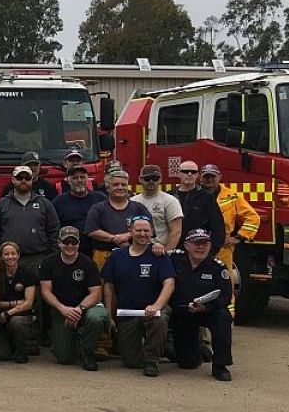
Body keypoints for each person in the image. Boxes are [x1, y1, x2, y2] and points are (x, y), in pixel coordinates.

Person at [102, 217, 176, 377]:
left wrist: (157, 306)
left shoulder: (159, 254)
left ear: (151, 233)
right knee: (131, 362)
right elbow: (108, 285)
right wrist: (109, 314)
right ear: (130, 232)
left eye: (146, 231)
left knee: (159, 319)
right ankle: (166, 348)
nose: (142, 234)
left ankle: (152, 360)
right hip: (127, 313)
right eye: (138, 230)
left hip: (152, 311)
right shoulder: (117, 256)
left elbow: (169, 283)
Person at [38, 226, 107, 371]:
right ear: (59, 243)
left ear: (79, 244)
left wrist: (78, 310)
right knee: (64, 358)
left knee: (96, 317)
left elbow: (95, 293)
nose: (70, 246)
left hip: (85, 307)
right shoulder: (48, 262)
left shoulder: (88, 263)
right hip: (60, 309)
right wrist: (63, 309)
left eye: (73, 242)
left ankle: (88, 354)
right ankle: (74, 341)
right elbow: (46, 292)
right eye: (66, 242)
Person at [170, 229, 234, 381]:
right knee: (187, 364)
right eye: (196, 244)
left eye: (205, 244)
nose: (201, 248)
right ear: (186, 245)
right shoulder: (173, 259)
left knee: (223, 317)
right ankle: (197, 350)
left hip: (207, 312)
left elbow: (226, 296)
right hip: (181, 313)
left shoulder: (218, 267)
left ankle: (220, 366)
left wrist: (206, 307)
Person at [199, 163, 259, 305]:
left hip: (222, 249)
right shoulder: (195, 195)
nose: (209, 180)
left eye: (212, 176)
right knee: (197, 284)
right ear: (200, 178)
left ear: (219, 177)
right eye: (206, 177)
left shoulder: (231, 196)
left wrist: (238, 237)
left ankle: (226, 322)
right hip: (197, 247)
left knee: (225, 286)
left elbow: (253, 217)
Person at [0, 165, 60, 274]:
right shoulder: (0, 204)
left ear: (32, 180)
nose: (23, 181)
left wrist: (52, 256)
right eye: (20, 178)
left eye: (27, 178)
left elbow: (54, 232)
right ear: (13, 180)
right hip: (8, 260)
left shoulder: (45, 203)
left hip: (38, 259)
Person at [84, 170, 154, 266]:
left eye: (123, 185)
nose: (120, 187)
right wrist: (113, 239)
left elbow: (150, 229)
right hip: (104, 256)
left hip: (135, 255)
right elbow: (91, 230)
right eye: (116, 185)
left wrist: (128, 235)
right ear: (108, 188)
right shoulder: (98, 208)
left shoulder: (139, 208)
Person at [0, 241, 38, 363]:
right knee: (0, 355)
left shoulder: (27, 274)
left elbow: (28, 303)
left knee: (16, 322)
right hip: (0, 318)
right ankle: (12, 346)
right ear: (1, 256)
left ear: (18, 255)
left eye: (13, 253)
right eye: (6, 254)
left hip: (22, 316)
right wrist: (16, 303)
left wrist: (7, 313)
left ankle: (23, 350)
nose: (10, 257)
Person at [171, 160, 226, 255]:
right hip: (172, 251)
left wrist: (210, 253)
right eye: (185, 171)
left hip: (198, 251)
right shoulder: (169, 197)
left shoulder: (207, 198)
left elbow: (218, 228)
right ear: (179, 174)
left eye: (193, 172)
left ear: (197, 175)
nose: (189, 174)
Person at [52, 165, 106, 257]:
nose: (79, 180)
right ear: (68, 181)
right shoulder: (58, 202)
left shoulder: (101, 199)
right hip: (69, 251)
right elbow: (53, 229)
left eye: (82, 177)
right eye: (75, 178)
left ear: (87, 179)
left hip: (98, 251)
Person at [131, 164, 184, 250]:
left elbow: (176, 231)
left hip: (160, 250)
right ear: (140, 179)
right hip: (136, 251)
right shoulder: (132, 201)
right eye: (147, 179)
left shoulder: (170, 201)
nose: (151, 181)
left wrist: (166, 252)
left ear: (160, 179)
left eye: (155, 178)